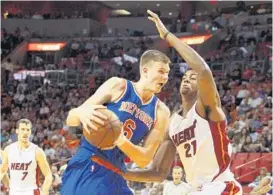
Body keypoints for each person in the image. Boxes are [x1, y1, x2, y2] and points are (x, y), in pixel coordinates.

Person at [122, 10, 243, 195]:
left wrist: (168, 36)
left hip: (220, 186)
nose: (187, 79)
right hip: (197, 189)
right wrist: (120, 172)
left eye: (192, 77)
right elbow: (158, 172)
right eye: (185, 76)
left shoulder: (207, 108)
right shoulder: (173, 123)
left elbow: (203, 70)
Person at [61, 49, 171, 195]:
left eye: (167, 73)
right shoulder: (118, 86)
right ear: (145, 71)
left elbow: (144, 159)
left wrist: (118, 138)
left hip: (116, 171)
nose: (165, 77)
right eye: (161, 71)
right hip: (88, 163)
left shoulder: (161, 111)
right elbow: (71, 119)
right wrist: (80, 112)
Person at [0, 119, 53, 195]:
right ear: (17, 131)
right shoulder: (8, 150)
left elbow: (48, 175)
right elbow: (2, 171)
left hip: (31, 191)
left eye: (28, 130)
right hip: (14, 192)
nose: (25, 132)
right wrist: (9, 187)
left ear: (30, 132)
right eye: (23, 129)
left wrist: (44, 192)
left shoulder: (37, 151)